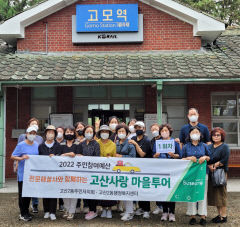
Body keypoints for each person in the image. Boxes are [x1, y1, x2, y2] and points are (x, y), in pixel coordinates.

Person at [182, 126, 211, 226]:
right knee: (191, 194)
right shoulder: (185, 146)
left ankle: (203, 216)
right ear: (189, 135)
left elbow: (209, 157)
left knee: (203, 194)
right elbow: (181, 159)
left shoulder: (204, 146)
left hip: (203, 173)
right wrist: (189, 158)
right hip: (190, 174)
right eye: (193, 132)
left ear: (200, 135)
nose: (195, 134)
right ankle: (192, 216)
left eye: (197, 132)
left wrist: (204, 157)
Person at [152, 124, 181, 222]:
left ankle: (172, 212)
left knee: (172, 191)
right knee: (163, 191)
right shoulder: (157, 142)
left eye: (166, 130)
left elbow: (180, 156)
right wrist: (156, 155)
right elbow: (153, 155)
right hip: (161, 170)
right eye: (162, 131)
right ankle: (164, 212)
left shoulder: (174, 142)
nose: (164, 132)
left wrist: (173, 155)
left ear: (170, 131)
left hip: (172, 170)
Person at [11, 126, 39, 221]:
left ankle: (26, 211)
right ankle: (22, 213)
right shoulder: (21, 145)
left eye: (34, 133)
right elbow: (13, 156)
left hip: (32, 175)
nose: (32, 135)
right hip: (23, 174)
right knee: (22, 194)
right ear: (26, 134)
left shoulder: (36, 144)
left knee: (29, 193)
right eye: (30, 133)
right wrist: (22, 158)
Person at [17, 117, 43, 213]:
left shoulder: (40, 138)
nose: (34, 126)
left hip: (35, 168)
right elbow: (17, 152)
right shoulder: (22, 137)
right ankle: (23, 211)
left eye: (36, 124)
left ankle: (34, 205)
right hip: (23, 167)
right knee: (22, 191)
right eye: (32, 124)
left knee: (33, 188)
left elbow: (41, 152)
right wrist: (16, 164)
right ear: (28, 126)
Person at [129, 121, 152, 219]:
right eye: (136, 127)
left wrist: (136, 144)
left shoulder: (147, 140)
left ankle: (147, 209)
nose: (138, 129)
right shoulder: (133, 138)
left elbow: (142, 154)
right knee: (137, 188)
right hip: (135, 167)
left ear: (144, 129)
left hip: (145, 167)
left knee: (144, 188)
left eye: (140, 127)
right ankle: (140, 207)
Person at [207, 127, 230, 224]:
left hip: (220, 172)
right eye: (214, 135)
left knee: (221, 194)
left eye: (218, 135)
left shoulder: (224, 147)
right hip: (211, 173)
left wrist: (215, 165)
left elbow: (225, 159)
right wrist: (209, 166)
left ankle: (224, 216)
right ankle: (219, 214)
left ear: (222, 136)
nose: (216, 137)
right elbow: (207, 158)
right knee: (215, 196)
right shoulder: (209, 147)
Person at [78, 125, 100, 220]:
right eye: (87, 131)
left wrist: (85, 158)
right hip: (83, 171)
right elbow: (78, 154)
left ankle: (93, 211)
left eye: (91, 132)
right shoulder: (81, 144)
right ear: (84, 133)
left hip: (93, 171)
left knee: (92, 191)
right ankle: (90, 209)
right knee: (86, 191)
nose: (89, 134)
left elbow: (97, 157)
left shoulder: (96, 144)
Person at [38, 125, 60, 221]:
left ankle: (52, 212)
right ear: (45, 134)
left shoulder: (58, 145)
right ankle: (46, 211)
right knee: (45, 192)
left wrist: (55, 156)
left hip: (55, 174)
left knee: (53, 193)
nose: (50, 134)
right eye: (48, 132)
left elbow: (61, 158)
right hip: (44, 173)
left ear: (55, 134)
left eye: (52, 132)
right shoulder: (41, 146)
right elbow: (37, 159)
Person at [59, 126, 80, 221]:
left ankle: (72, 211)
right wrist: (68, 154)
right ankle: (67, 209)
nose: (69, 134)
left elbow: (79, 156)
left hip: (75, 174)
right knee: (64, 192)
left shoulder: (78, 144)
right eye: (67, 132)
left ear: (74, 133)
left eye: (71, 132)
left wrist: (70, 155)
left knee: (73, 193)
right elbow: (58, 156)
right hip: (63, 173)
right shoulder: (61, 144)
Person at [115, 124, 136, 221]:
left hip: (128, 171)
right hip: (119, 171)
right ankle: (127, 210)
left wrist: (121, 157)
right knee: (122, 191)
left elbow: (133, 158)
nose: (121, 133)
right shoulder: (115, 143)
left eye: (123, 131)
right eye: (119, 132)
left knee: (128, 191)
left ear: (127, 133)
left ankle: (130, 212)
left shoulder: (130, 143)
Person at [97, 125, 117, 218]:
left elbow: (115, 158)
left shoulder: (113, 144)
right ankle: (103, 209)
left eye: (106, 132)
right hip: (99, 170)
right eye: (102, 131)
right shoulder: (96, 143)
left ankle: (109, 209)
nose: (104, 133)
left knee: (109, 190)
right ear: (100, 133)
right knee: (101, 190)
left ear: (109, 133)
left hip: (109, 171)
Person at [55, 126, 65, 212]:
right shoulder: (53, 142)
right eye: (57, 131)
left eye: (61, 131)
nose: (59, 133)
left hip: (63, 168)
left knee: (62, 186)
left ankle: (61, 204)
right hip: (54, 168)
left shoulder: (65, 142)